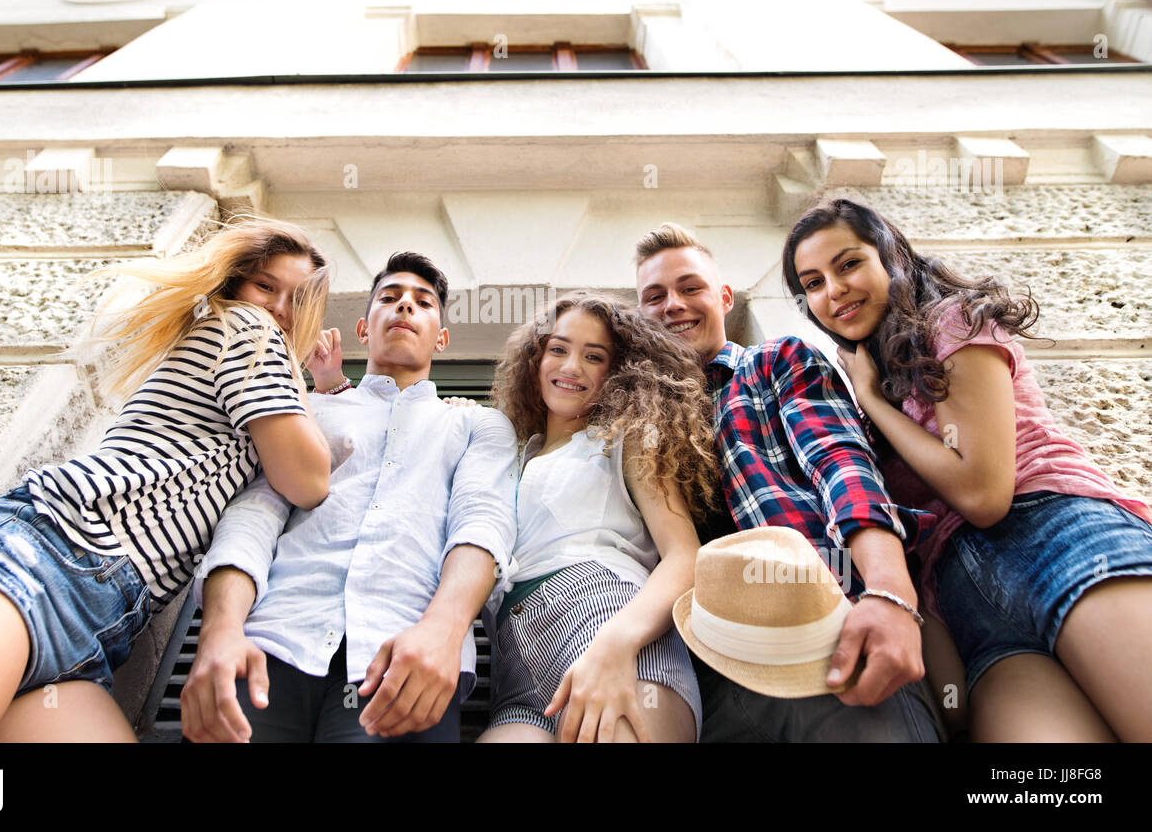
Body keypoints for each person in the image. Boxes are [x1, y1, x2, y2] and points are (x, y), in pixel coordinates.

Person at [0, 218, 333, 742]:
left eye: (297, 300)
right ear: (236, 286)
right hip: (45, 555)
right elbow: (306, 478)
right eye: (267, 286)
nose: (280, 309)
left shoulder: (261, 364)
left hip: (104, 624)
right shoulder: (247, 328)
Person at [785, 197, 1152, 742]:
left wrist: (874, 401)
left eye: (848, 264)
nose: (832, 290)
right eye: (812, 283)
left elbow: (984, 493)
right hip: (969, 608)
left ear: (890, 257)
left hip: (1055, 537)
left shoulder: (953, 320)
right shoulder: (866, 392)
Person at [181, 251, 518, 743]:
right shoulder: (305, 409)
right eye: (390, 297)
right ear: (364, 328)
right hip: (268, 645)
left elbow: (483, 522)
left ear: (441, 338)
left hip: (405, 660)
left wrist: (443, 634)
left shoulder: (476, 424)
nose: (405, 306)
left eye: (422, 302)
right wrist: (221, 629)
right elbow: (255, 514)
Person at [635, 222, 942, 742]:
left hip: (821, 637)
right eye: (655, 296)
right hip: (704, 676)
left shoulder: (775, 361)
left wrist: (890, 594)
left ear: (724, 298)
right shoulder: (635, 417)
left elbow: (842, 465)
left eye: (691, 288)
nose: (673, 305)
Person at [479, 292, 712, 743]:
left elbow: (684, 555)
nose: (571, 368)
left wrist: (615, 643)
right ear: (536, 359)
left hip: (605, 621)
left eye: (594, 356)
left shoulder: (623, 438)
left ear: (617, 372)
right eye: (559, 349)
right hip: (516, 666)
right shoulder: (508, 456)